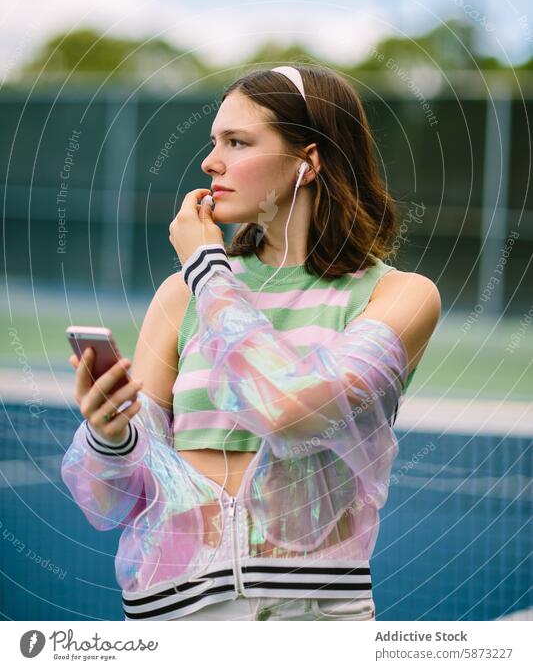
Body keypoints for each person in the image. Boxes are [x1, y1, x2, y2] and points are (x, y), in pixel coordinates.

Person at [62, 64, 441, 622]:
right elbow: (113, 500)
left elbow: (288, 411)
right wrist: (111, 435)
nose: (211, 162)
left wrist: (206, 267)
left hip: (311, 619)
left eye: (237, 142)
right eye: (213, 142)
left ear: (307, 162)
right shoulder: (180, 296)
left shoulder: (399, 296)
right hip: (173, 616)